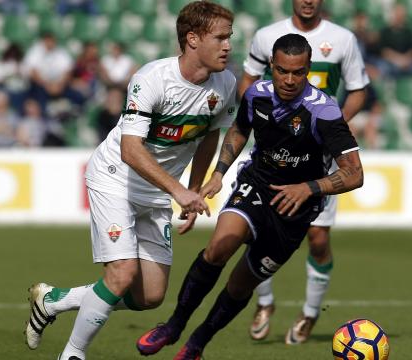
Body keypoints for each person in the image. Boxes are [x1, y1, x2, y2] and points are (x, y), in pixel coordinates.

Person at [23, 2, 237, 359]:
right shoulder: (152, 78)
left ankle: (54, 300)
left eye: (230, 37)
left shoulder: (226, 84)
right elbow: (130, 149)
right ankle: (73, 354)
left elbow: (210, 135)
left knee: (149, 297)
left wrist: (195, 191)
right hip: (115, 179)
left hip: (158, 190)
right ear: (193, 39)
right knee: (122, 275)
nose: (228, 45)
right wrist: (178, 190)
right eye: (221, 37)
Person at [136, 33, 364, 359]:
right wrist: (219, 173)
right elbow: (240, 129)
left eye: (297, 72)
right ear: (272, 65)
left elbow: (355, 172)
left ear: (308, 69)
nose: (288, 79)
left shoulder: (324, 111)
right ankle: (173, 325)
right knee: (220, 245)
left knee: (241, 285)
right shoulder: (257, 94)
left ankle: (198, 342)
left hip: (296, 210)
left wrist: (309, 187)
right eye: (282, 70)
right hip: (257, 185)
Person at [237, 0, 369, 344]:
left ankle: (310, 313)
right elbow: (248, 81)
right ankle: (264, 303)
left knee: (319, 238)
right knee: (255, 229)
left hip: (318, 156)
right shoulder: (267, 36)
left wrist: (331, 126)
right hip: (272, 155)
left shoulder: (343, 39)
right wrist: (261, 122)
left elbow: (358, 91)